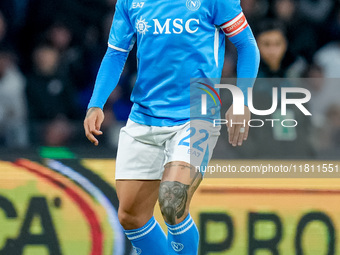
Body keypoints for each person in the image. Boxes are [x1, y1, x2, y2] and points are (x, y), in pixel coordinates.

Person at [84, 0, 259, 254]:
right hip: (144, 116)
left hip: (196, 115)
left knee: (172, 198)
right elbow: (116, 53)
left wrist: (242, 100)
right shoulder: (129, 2)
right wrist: (96, 103)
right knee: (131, 216)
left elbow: (246, 45)